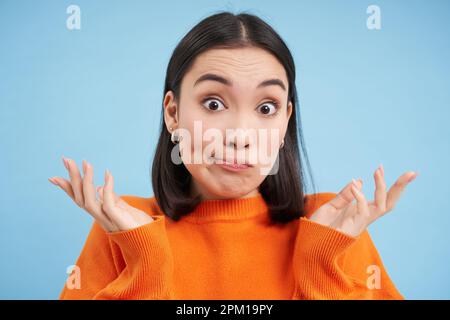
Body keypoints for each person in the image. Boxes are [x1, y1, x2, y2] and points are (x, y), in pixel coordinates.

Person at [49, 11, 417, 300]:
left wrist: (320, 270)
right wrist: (146, 265)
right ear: (173, 113)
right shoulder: (125, 228)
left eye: (267, 107)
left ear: (286, 122)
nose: (240, 135)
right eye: (213, 102)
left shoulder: (333, 227)